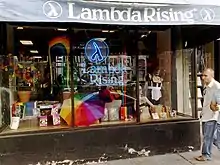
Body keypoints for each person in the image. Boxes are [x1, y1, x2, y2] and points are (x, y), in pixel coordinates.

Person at [195, 68, 220, 161]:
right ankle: (206, 154)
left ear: (212, 76)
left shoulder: (217, 87)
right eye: (202, 75)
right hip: (206, 115)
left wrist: (215, 109)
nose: (203, 77)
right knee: (210, 137)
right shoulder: (206, 86)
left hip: (212, 116)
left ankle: (206, 155)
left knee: (208, 137)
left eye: (206, 75)